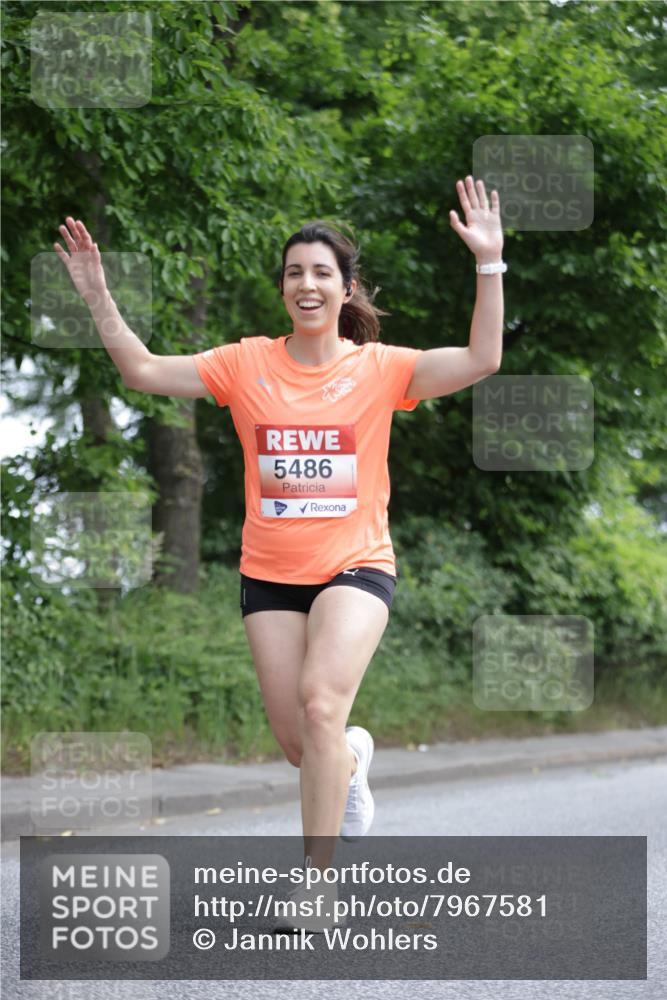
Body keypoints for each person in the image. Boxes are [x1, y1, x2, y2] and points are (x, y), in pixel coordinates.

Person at [54, 175, 505, 931]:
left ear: (345, 288)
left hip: (356, 564)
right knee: (303, 745)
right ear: (283, 288)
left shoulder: (380, 368)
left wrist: (489, 261)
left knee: (321, 702)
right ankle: (351, 762)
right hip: (269, 575)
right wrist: (98, 295)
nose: (307, 283)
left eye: (322, 272)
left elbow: (482, 358)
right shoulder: (245, 364)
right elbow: (143, 370)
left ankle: (316, 888)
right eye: (295, 272)